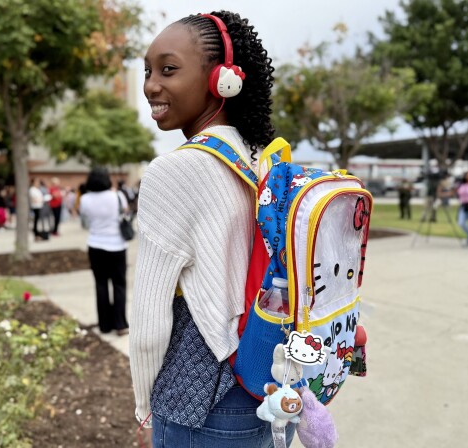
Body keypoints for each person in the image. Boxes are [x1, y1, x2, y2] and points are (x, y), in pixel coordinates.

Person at [130, 11, 295, 448]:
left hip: (202, 398)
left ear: (223, 79)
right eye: (147, 71)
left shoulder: (175, 170)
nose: (150, 85)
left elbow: (149, 315)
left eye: (168, 69)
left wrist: (143, 400)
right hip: (274, 380)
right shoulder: (265, 160)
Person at [79, 167, 129, 336]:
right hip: (117, 245)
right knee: (119, 284)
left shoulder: (85, 199)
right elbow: (126, 212)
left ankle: (105, 324)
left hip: (95, 244)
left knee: (101, 284)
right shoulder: (117, 196)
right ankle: (120, 324)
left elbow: (85, 223)